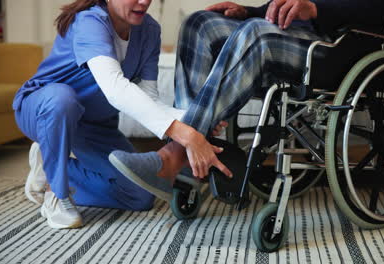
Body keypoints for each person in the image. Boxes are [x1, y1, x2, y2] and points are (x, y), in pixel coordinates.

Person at [109, 0, 384, 200]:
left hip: (337, 49)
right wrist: (248, 11)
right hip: (295, 36)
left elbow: (375, 9)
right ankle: (192, 154)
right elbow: (283, 8)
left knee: (257, 32)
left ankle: (174, 156)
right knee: (199, 24)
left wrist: (315, 8)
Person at [16, 0, 232, 229]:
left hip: (95, 125)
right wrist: (185, 135)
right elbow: (115, 88)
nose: (144, 1)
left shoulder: (149, 30)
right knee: (62, 99)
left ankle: (51, 163)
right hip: (45, 111)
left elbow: (150, 100)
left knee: (140, 194)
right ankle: (56, 193)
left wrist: (193, 120)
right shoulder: (90, 21)